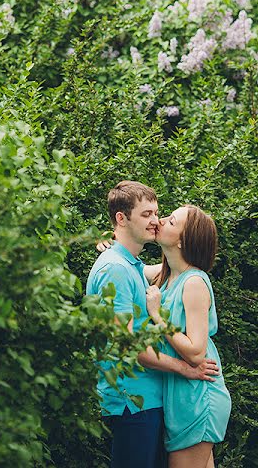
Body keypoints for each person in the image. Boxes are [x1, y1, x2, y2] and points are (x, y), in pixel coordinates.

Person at [87, 182, 220, 468]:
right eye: (147, 214)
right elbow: (128, 345)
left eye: (159, 215)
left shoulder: (137, 267)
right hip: (135, 399)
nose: (156, 221)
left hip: (167, 397)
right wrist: (185, 368)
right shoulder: (119, 268)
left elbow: (184, 268)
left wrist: (114, 242)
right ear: (122, 218)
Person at [145, 205, 231, 468]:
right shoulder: (167, 275)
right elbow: (130, 261)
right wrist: (110, 240)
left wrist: (158, 316)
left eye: (171, 221)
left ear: (182, 241)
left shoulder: (194, 282)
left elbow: (196, 350)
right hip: (184, 398)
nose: (160, 221)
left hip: (199, 398)